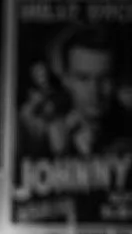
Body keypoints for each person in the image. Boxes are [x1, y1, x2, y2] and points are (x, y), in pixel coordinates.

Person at [35, 27, 132, 157]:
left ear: (116, 80)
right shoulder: (43, 131)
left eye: (104, 78)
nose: (95, 91)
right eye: (83, 78)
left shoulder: (127, 127)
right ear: (66, 79)